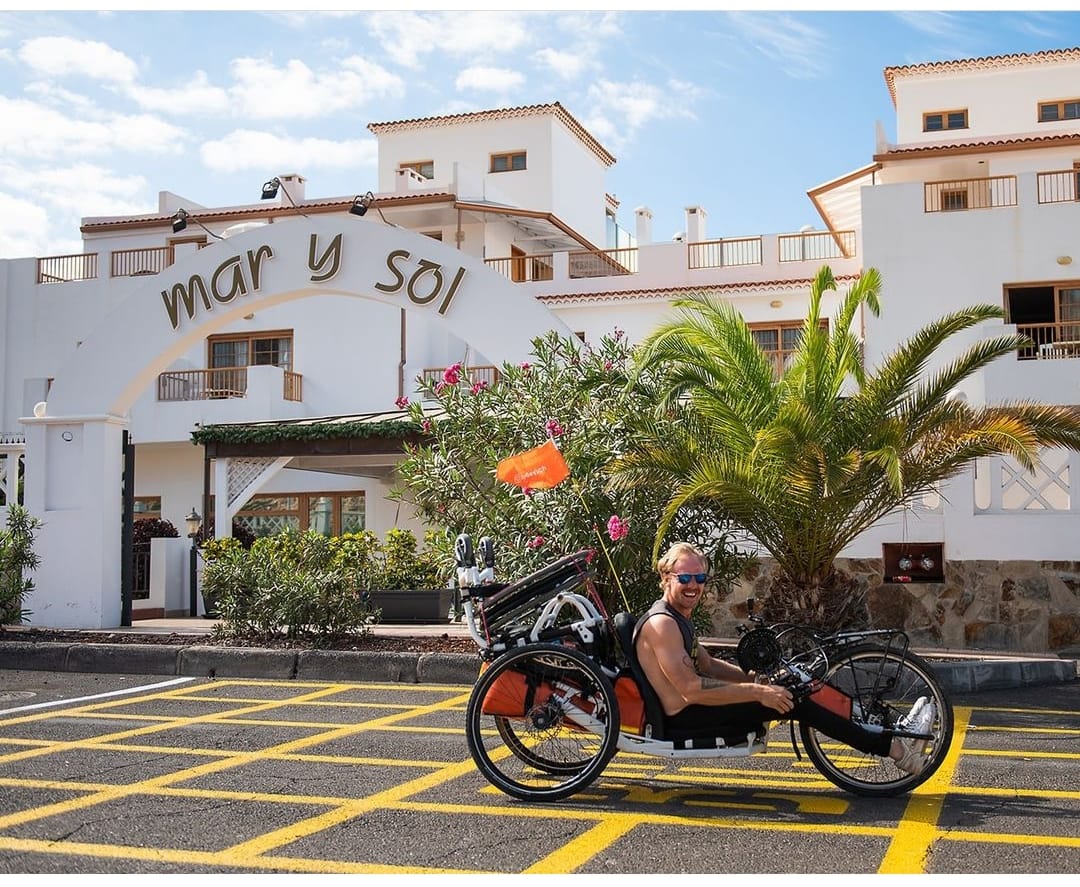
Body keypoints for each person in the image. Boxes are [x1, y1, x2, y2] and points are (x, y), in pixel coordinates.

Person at [633, 541, 936, 774]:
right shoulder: (663, 625)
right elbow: (691, 689)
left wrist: (753, 679)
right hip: (686, 720)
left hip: (697, 710)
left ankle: (888, 727)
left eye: (699, 577)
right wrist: (759, 692)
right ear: (666, 578)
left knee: (798, 684)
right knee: (797, 702)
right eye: (684, 576)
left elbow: (709, 665)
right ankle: (898, 751)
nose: (694, 585)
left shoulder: (678, 618)